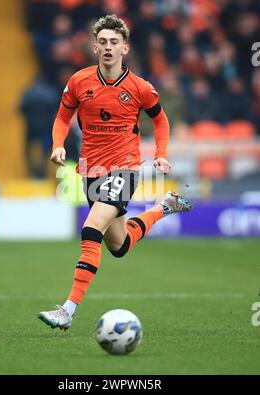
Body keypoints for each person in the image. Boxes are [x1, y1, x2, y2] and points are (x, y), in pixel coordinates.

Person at [38, 14, 192, 331]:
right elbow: (62, 117)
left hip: (124, 167)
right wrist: (58, 145)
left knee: (91, 227)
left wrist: (161, 154)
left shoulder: (140, 88)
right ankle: (165, 206)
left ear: (125, 48)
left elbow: (161, 121)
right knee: (118, 246)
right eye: (103, 42)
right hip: (90, 170)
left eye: (114, 42)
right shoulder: (79, 81)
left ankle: (67, 309)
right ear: (95, 47)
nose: (108, 47)